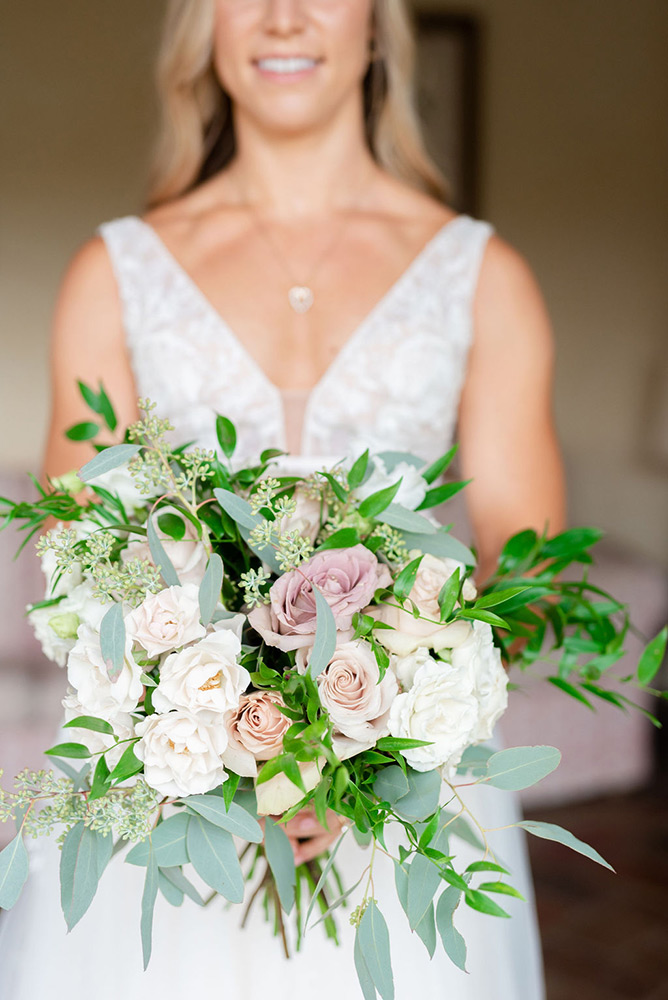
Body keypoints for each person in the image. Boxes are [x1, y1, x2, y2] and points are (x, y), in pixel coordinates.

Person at [0, 0, 565, 996]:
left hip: (406, 820)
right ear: (201, 29)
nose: (281, 18)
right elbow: (79, 549)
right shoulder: (112, 274)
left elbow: (529, 564)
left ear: (380, 25)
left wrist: (374, 737)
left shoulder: (483, 277)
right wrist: (219, 731)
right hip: (169, 809)